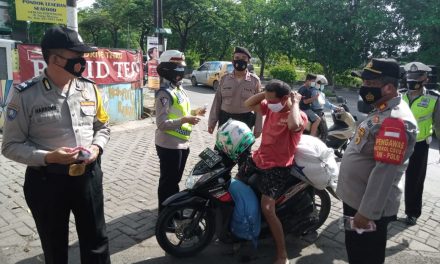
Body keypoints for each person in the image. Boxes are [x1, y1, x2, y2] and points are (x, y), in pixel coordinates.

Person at [1, 26, 111, 264]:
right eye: (76, 55)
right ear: (54, 59)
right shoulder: (25, 95)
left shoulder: (89, 88)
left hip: (88, 177)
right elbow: (10, 146)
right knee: (54, 247)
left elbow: (103, 127)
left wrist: (96, 148)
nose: (82, 61)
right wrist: (49, 157)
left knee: (97, 243)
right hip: (47, 182)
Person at [337, 58, 418, 264]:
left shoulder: (394, 121)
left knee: (365, 256)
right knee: (356, 252)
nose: (363, 88)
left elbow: (385, 172)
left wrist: (366, 213)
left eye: (369, 84)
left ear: (389, 87)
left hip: (367, 207)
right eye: (363, 82)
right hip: (358, 198)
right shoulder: (381, 108)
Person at [245, 80, 307, 264]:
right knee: (237, 185)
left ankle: (282, 255)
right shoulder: (271, 107)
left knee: (267, 209)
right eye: (268, 99)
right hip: (259, 158)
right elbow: (248, 104)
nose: (269, 103)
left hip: (278, 166)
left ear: (286, 98)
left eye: (273, 100)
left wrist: (295, 103)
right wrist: (265, 94)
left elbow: (294, 125)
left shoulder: (298, 115)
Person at [155, 50, 206, 213]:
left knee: (174, 180)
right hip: (169, 144)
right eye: (177, 67)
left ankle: (171, 211)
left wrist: (194, 112)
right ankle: (165, 215)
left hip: (182, 143)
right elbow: (162, 123)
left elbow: (181, 111)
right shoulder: (164, 93)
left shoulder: (178, 89)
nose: (180, 71)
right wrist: (185, 120)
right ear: (168, 69)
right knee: (168, 182)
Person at [401, 62, 440, 226]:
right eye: (410, 77)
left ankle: (412, 212)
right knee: (387, 177)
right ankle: (386, 211)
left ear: (425, 79)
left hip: (419, 144)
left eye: (417, 78)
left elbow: (438, 124)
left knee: (415, 179)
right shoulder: (399, 95)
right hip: (397, 143)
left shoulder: (433, 98)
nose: (412, 81)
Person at [208, 46, 262, 139]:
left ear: (248, 61)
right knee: (221, 151)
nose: (240, 60)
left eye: (243, 58)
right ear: (232, 61)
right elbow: (217, 101)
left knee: (243, 152)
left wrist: (258, 127)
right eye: (237, 58)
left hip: (245, 122)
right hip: (225, 120)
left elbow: (259, 106)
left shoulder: (255, 81)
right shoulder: (224, 79)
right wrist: (212, 122)